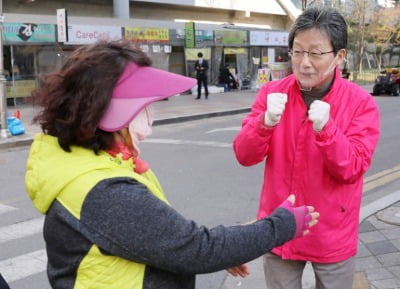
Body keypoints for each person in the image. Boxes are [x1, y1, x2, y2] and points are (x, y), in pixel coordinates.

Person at [25, 40, 319, 289]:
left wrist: (225, 250)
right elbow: (194, 248)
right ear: (111, 113)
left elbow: (167, 237)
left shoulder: (89, 164)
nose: (150, 123)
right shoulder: (104, 190)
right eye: (144, 108)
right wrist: (281, 226)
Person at [233, 6, 380, 289]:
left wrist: (328, 130)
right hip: (282, 226)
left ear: (339, 56)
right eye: (297, 51)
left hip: (331, 232)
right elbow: (244, 155)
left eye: (315, 53)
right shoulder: (272, 94)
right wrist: (263, 123)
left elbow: (352, 169)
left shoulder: (360, 103)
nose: (304, 63)